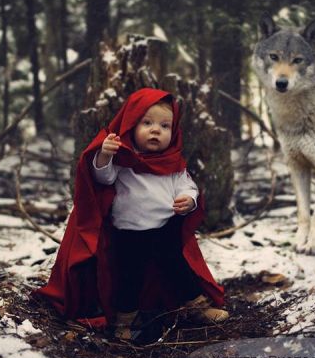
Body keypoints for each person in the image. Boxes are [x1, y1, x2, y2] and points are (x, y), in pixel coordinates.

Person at [33, 88, 228, 340]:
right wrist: (105, 154)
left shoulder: (172, 163)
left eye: (164, 125)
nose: (156, 130)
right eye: (147, 123)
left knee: (178, 269)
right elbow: (103, 177)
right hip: (129, 233)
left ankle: (195, 308)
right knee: (128, 278)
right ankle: (124, 320)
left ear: (174, 130)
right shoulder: (125, 161)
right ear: (131, 125)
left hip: (165, 229)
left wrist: (189, 200)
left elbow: (188, 186)